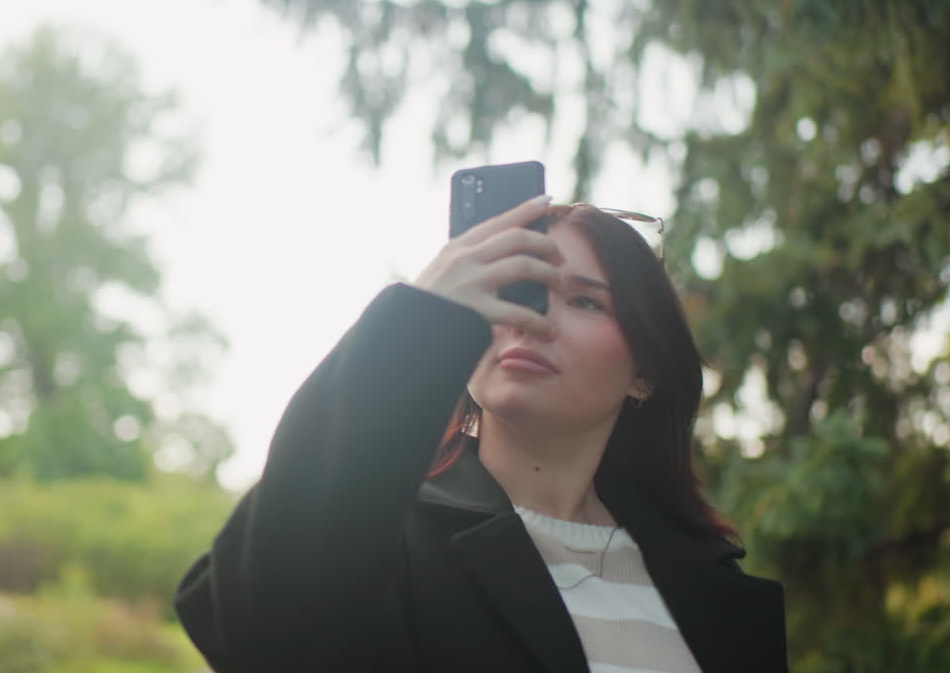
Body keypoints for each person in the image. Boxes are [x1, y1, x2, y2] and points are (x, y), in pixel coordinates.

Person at [175, 196, 788, 672]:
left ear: (645, 374)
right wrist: (419, 322)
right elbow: (252, 637)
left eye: (585, 303)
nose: (532, 319)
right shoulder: (381, 540)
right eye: (512, 291)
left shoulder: (711, 584)